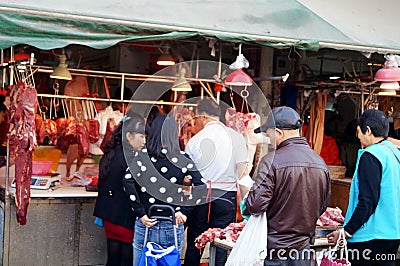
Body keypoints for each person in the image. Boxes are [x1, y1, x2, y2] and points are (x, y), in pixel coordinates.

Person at [245, 106, 331, 265]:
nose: (269, 139)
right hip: (303, 253)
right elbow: (322, 206)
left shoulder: (271, 161)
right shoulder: (320, 163)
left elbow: (255, 205)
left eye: (269, 134)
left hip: (273, 253)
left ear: (279, 132)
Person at [122, 114, 205, 266]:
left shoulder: (142, 157)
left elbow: (127, 181)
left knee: (141, 262)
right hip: (172, 222)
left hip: (146, 221)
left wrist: (140, 212)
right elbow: (201, 186)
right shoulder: (182, 158)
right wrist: (185, 212)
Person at [327, 109, 400, 266]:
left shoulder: (371, 155)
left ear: (367, 131)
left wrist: (346, 231)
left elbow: (367, 201)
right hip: (391, 235)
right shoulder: (393, 153)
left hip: (370, 238)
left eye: (358, 131)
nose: (357, 137)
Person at [184, 98, 250, 266]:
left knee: (195, 243)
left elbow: (186, 176)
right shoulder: (236, 137)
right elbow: (242, 171)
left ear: (204, 116)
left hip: (200, 197)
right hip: (225, 196)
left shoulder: (194, 140)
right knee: (222, 243)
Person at [93, 115, 146, 266]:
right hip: (124, 214)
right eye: (141, 136)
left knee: (113, 256)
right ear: (128, 136)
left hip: (109, 214)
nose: (144, 141)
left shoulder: (111, 152)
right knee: (126, 257)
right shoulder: (131, 157)